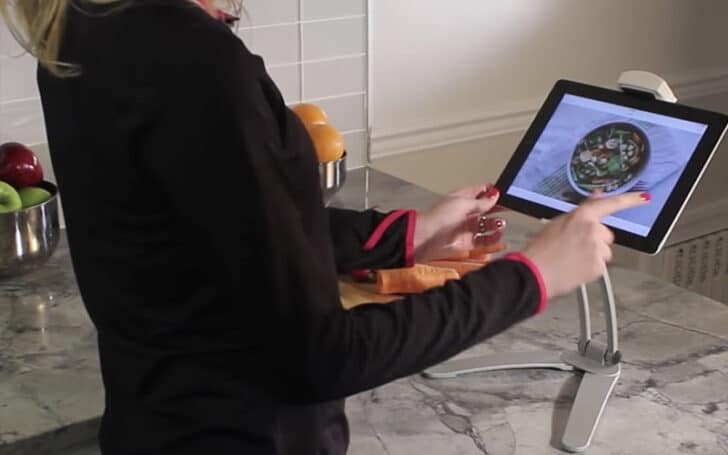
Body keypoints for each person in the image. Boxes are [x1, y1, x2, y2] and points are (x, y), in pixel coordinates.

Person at [0, 0, 650, 453]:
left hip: (153, 425)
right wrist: (533, 276)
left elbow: (223, 226)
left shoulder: (82, 26)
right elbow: (319, 357)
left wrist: (405, 234)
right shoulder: (196, 63)